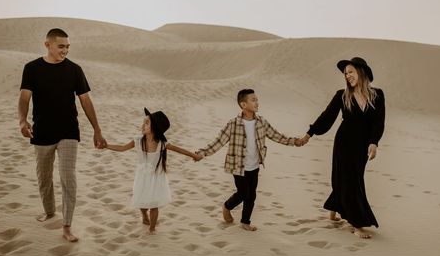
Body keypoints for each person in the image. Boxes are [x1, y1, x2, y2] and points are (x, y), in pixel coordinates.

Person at [18, 28, 107, 242]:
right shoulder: (32, 68)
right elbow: (24, 97)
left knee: (68, 178)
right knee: (44, 178)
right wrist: (22, 120)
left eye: (67, 46)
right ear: (47, 45)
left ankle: (67, 225)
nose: (65, 50)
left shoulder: (75, 70)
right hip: (41, 131)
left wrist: (97, 129)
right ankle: (49, 212)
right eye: (61, 46)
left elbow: (85, 100)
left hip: (68, 131)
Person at [298, 57, 385, 239]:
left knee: (352, 177)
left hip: (362, 145)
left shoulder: (377, 95)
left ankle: (334, 207)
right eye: (346, 73)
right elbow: (327, 117)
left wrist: (374, 142)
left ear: (361, 72)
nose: (348, 76)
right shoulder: (342, 95)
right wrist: (310, 133)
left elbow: (378, 122)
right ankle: (357, 223)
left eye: (351, 72)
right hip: (344, 142)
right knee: (350, 180)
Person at [196, 89, 300, 231]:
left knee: (252, 195)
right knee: (243, 193)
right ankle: (227, 206)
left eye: (257, 99)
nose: (257, 102)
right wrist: (203, 153)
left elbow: (277, 136)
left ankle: (245, 222)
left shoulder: (261, 122)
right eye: (253, 100)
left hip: (255, 165)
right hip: (238, 166)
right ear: (243, 104)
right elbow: (219, 141)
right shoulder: (233, 124)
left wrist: (294, 141)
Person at [105, 108, 202, 235]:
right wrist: (106, 145)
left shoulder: (162, 144)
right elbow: (122, 148)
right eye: (143, 122)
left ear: (155, 128)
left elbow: (180, 150)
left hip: (156, 178)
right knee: (142, 200)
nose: (143, 125)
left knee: (154, 204)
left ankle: (152, 228)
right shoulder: (138, 140)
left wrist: (194, 156)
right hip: (142, 177)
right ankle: (144, 214)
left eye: (146, 123)